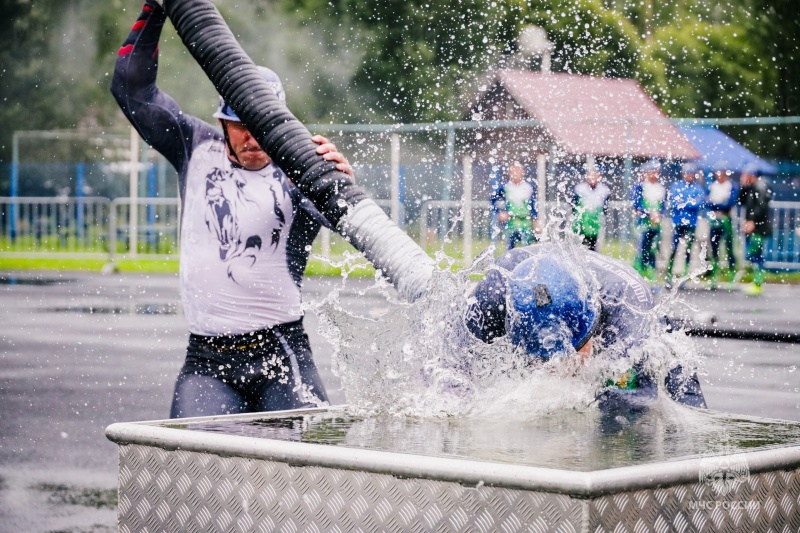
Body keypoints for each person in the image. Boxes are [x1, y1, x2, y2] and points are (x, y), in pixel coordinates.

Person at [112, 1, 356, 418]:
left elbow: (349, 223)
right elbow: (131, 90)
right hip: (207, 359)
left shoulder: (299, 169)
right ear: (223, 123)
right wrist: (156, 8)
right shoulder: (193, 145)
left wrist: (341, 181)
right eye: (241, 124)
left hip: (281, 354)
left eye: (262, 126)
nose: (253, 138)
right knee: (193, 471)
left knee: (305, 473)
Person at [464, 242, 707, 410]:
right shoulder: (498, 284)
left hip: (628, 310)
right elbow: (457, 358)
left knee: (645, 403)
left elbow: (636, 407)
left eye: (569, 354)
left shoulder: (629, 315)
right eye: (542, 358)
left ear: (589, 330)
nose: (556, 367)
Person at [666, 162, 706, 286]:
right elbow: (673, 202)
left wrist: (684, 202)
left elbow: (699, 203)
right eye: (687, 173)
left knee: (688, 250)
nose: (689, 176)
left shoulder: (697, 188)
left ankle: (684, 277)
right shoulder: (676, 186)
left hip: (691, 223)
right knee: (674, 249)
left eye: (691, 174)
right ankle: (669, 276)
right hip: (678, 222)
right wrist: (690, 202)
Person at [738, 163, 772, 296]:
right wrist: (743, 186)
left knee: (755, 255)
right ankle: (756, 282)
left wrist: (752, 220)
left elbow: (762, 206)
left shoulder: (761, 186)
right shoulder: (751, 187)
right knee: (754, 255)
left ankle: (758, 284)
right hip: (753, 227)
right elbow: (741, 201)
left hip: (759, 228)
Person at [631, 159, 666, 280]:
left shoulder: (660, 188)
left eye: (655, 172)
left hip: (656, 224)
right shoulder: (640, 187)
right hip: (642, 223)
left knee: (653, 248)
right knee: (641, 249)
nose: (653, 175)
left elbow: (663, 206)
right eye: (650, 172)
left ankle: (651, 275)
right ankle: (638, 274)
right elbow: (636, 205)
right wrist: (649, 214)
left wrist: (658, 214)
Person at [493, 161, 541, 250]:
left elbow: (534, 205)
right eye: (513, 171)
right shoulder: (505, 187)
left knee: (527, 247)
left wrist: (536, 220)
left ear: (523, 173)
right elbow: (494, 200)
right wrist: (500, 212)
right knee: (510, 247)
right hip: (511, 223)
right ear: (509, 173)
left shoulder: (528, 187)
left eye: (518, 171)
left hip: (526, 223)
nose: (516, 174)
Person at [706, 161, 739, 285]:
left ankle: (731, 276)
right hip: (714, 219)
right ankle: (714, 275)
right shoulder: (712, 185)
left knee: (729, 247)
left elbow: (730, 203)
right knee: (714, 247)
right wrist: (719, 204)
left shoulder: (732, 186)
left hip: (726, 219)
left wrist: (716, 204)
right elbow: (707, 202)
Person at [572, 167, 611, 251]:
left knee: (593, 246)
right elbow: (574, 206)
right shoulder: (579, 189)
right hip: (581, 222)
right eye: (591, 176)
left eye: (595, 176)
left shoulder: (604, 190)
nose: (592, 179)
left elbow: (605, 208)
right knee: (579, 246)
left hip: (596, 223)